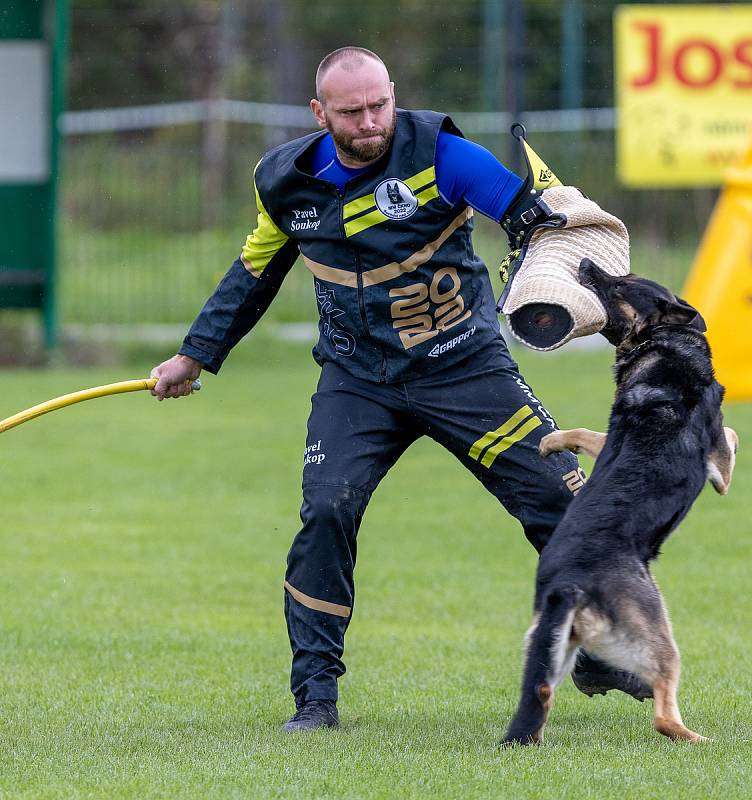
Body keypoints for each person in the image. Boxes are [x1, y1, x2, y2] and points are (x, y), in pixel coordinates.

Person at [150, 46, 651, 733]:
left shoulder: (446, 155)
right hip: (357, 383)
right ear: (319, 113)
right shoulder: (285, 181)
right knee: (326, 513)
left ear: (394, 93)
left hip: (465, 370)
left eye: (379, 105)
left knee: (566, 504)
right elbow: (253, 271)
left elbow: (537, 226)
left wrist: (562, 278)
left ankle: (595, 650)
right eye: (351, 112)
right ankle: (315, 699)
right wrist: (195, 355)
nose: (370, 122)